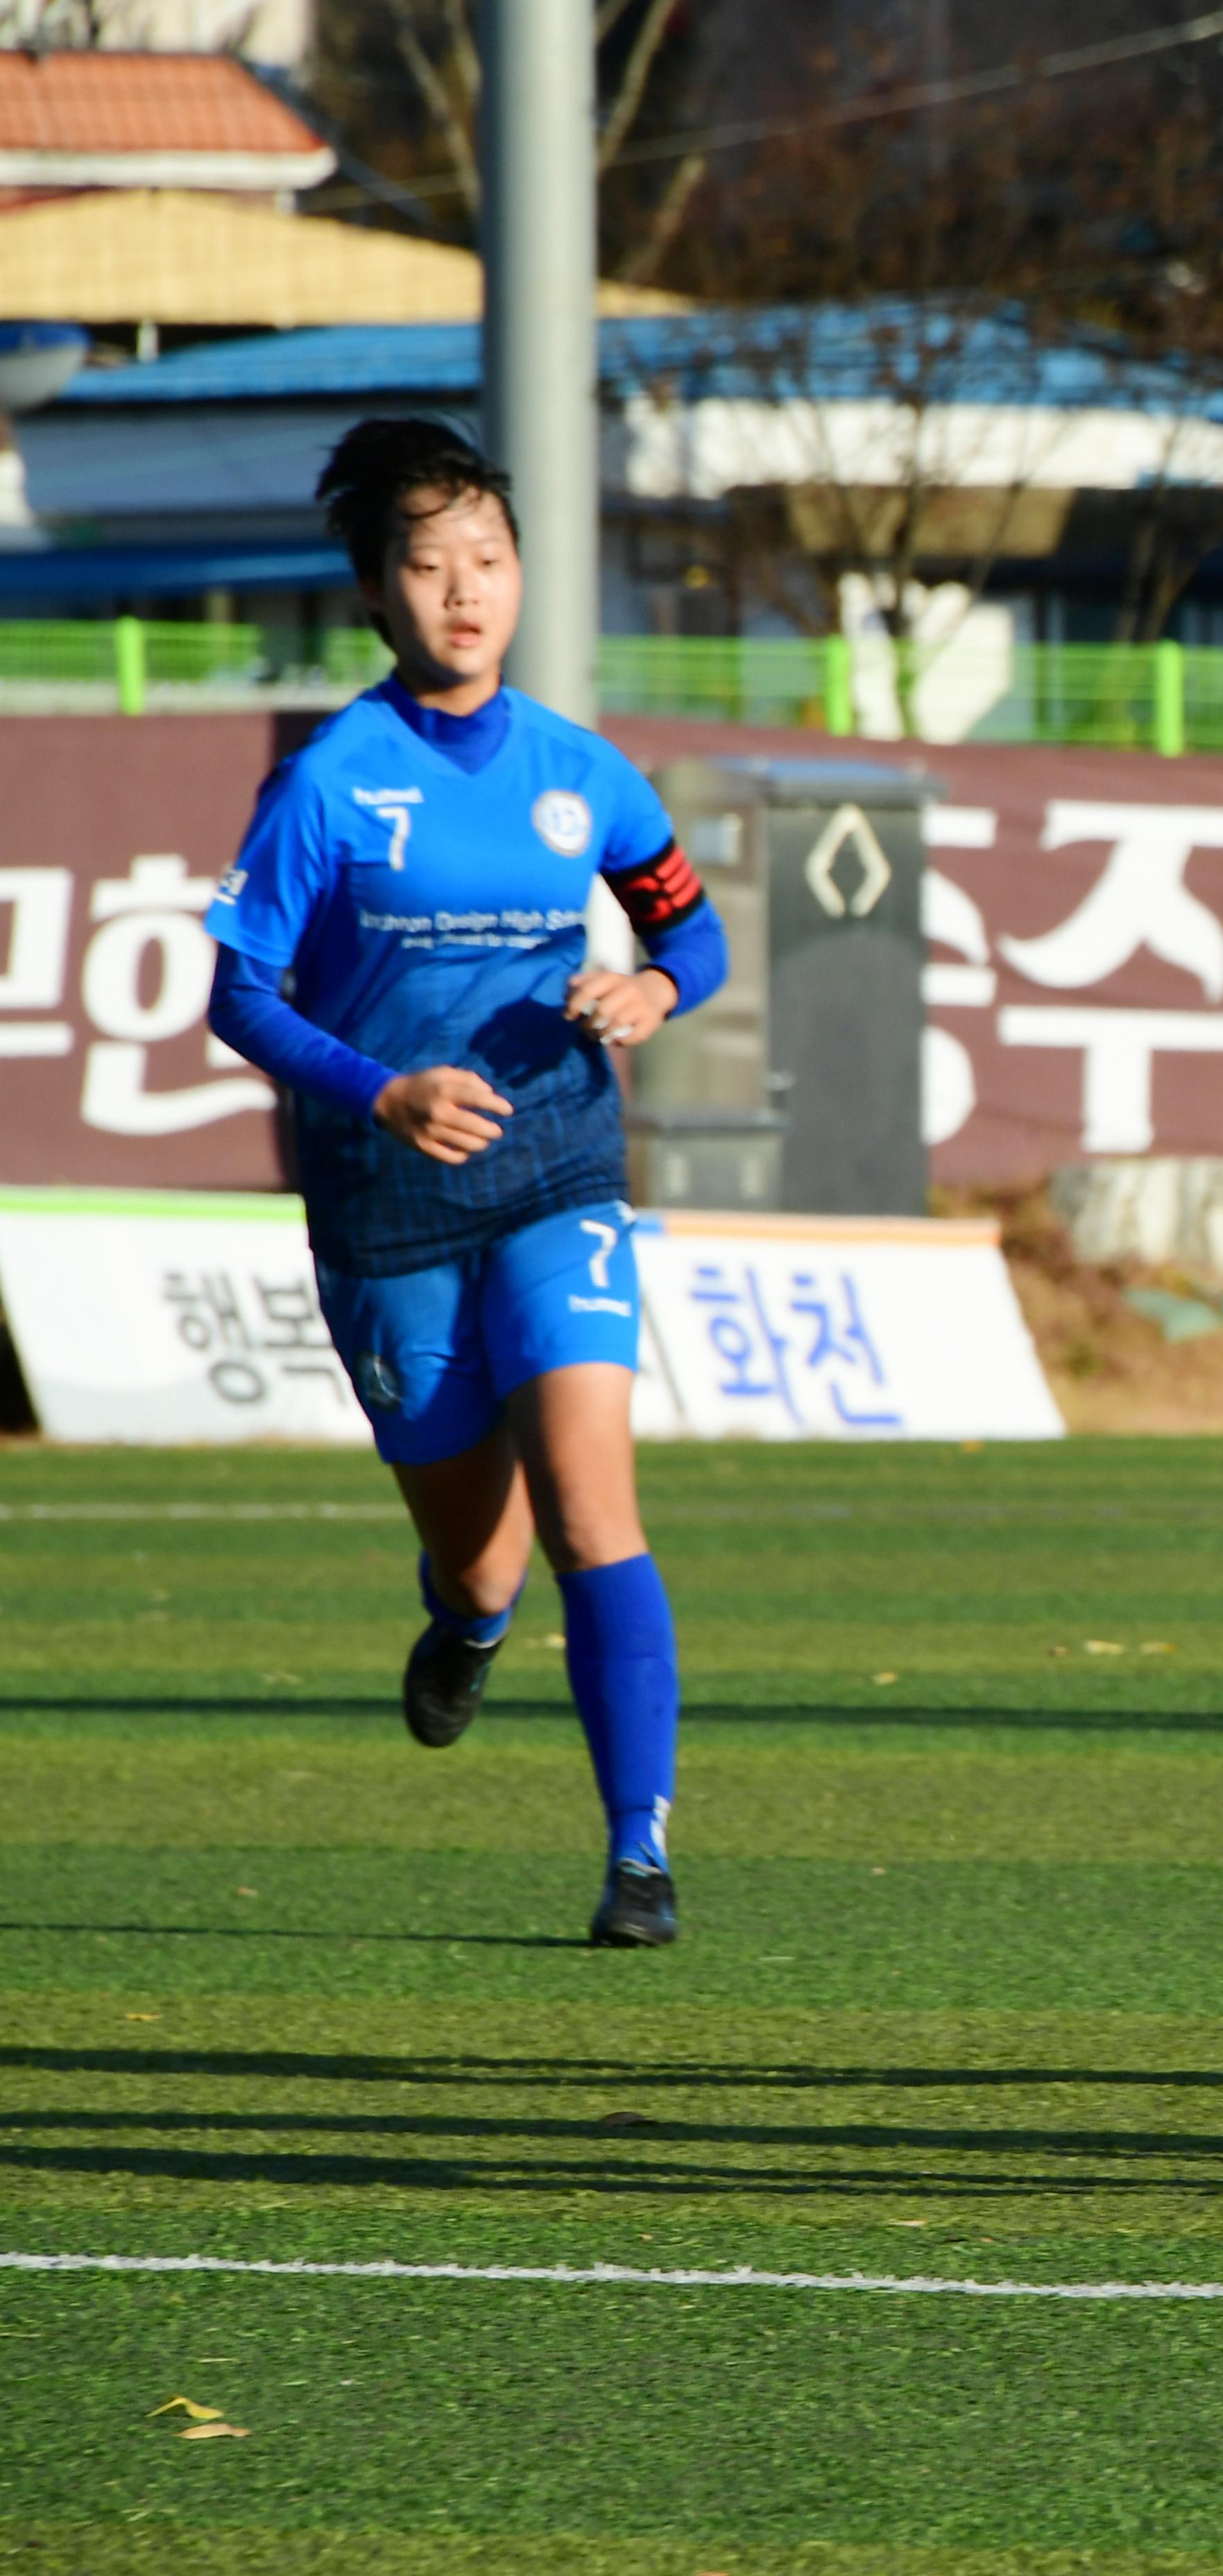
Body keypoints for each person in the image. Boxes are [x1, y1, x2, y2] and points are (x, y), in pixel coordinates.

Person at [204, 417, 724, 1949]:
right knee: (483, 1546)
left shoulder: (584, 770)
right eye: (427, 565)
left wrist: (653, 995)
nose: (464, 590)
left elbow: (688, 929)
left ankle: (641, 1854)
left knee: (590, 1502)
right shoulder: (329, 783)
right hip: (388, 1197)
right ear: (377, 588)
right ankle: (467, 1622)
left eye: (487, 559)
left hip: (560, 1161)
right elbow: (241, 994)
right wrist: (383, 1086)